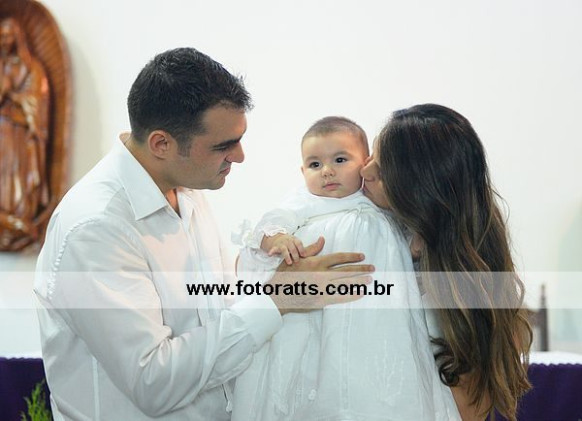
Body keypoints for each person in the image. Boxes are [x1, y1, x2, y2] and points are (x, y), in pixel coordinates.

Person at [33, 48, 373, 420]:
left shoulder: (186, 187)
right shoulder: (95, 227)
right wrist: (276, 299)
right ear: (162, 144)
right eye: (223, 146)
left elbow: (217, 304)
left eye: (238, 139)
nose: (239, 156)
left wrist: (269, 264)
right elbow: (153, 382)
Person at [232, 116, 461, 420]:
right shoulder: (306, 201)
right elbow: (272, 222)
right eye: (314, 164)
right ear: (302, 172)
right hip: (327, 314)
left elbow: (405, 245)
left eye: (340, 160)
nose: (327, 171)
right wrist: (279, 238)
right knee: (324, 371)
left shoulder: (379, 204)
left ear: (363, 163)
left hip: (379, 320)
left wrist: (416, 245)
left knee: (384, 380)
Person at [360, 103, 532, 421]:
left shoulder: (463, 304)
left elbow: (465, 410)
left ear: (419, 194)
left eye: (381, 173)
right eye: (371, 157)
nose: (364, 171)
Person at [0, 17, 50, 250]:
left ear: (17, 37)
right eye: (1, 36)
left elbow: (37, 101)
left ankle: (18, 216)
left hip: (19, 132)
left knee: (16, 174)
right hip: (2, 131)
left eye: (8, 36)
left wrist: (14, 95)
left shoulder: (32, 68)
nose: (4, 41)